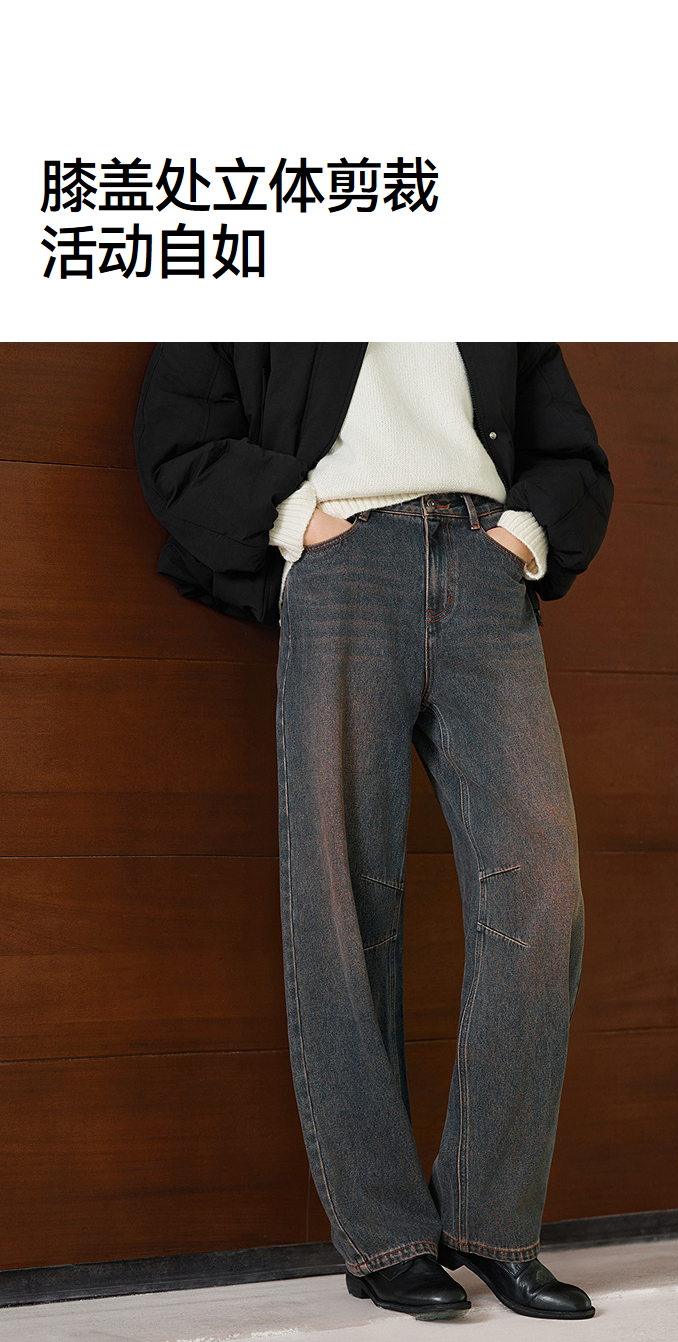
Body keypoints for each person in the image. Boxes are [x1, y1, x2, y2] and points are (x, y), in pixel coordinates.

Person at [134, 342, 614, 1323]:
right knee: (344, 898)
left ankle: (493, 1223)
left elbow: (572, 452)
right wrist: (298, 520)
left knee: (543, 893)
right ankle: (386, 1239)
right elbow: (176, 437)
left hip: (485, 566)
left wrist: (521, 536)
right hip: (345, 563)